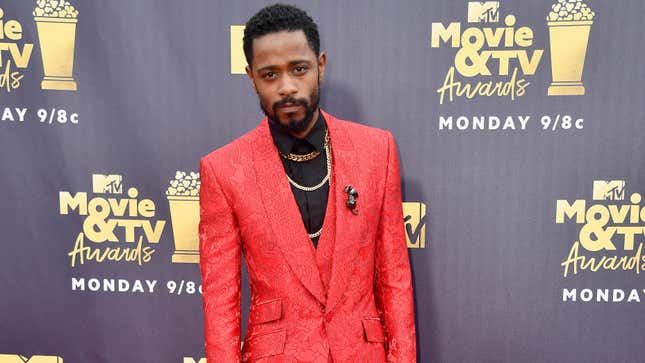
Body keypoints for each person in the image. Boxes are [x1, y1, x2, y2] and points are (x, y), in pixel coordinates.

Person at [198, 4, 416, 362]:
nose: (286, 87)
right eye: (270, 75)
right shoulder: (223, 170)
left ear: (321, 66)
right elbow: (220, 305)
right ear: (251, 77)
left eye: (299, 69)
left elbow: (395, 278)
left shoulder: (377, 151)